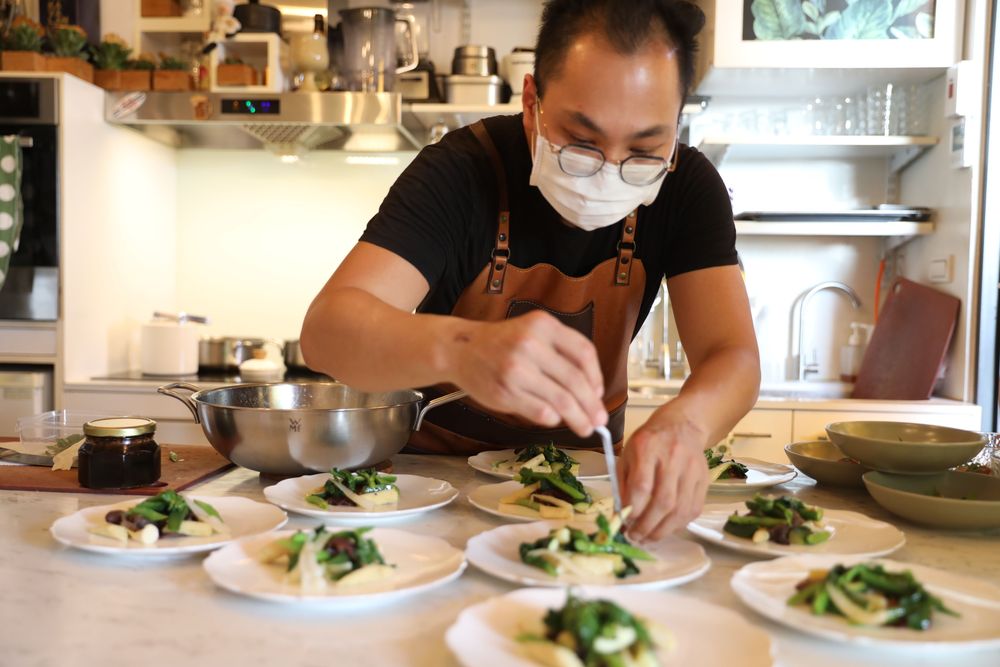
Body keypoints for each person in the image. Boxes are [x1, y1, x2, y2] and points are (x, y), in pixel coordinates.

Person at [301, 0, 760, 541]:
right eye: (582, 141)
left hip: (582, 491)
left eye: (644, 148)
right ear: (531, 102)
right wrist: (463, 348)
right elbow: (327, 332)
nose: (609, 170)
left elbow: (731, 355)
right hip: (430, 493)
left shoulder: (687, 189)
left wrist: (689, 422)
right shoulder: (461, 171)